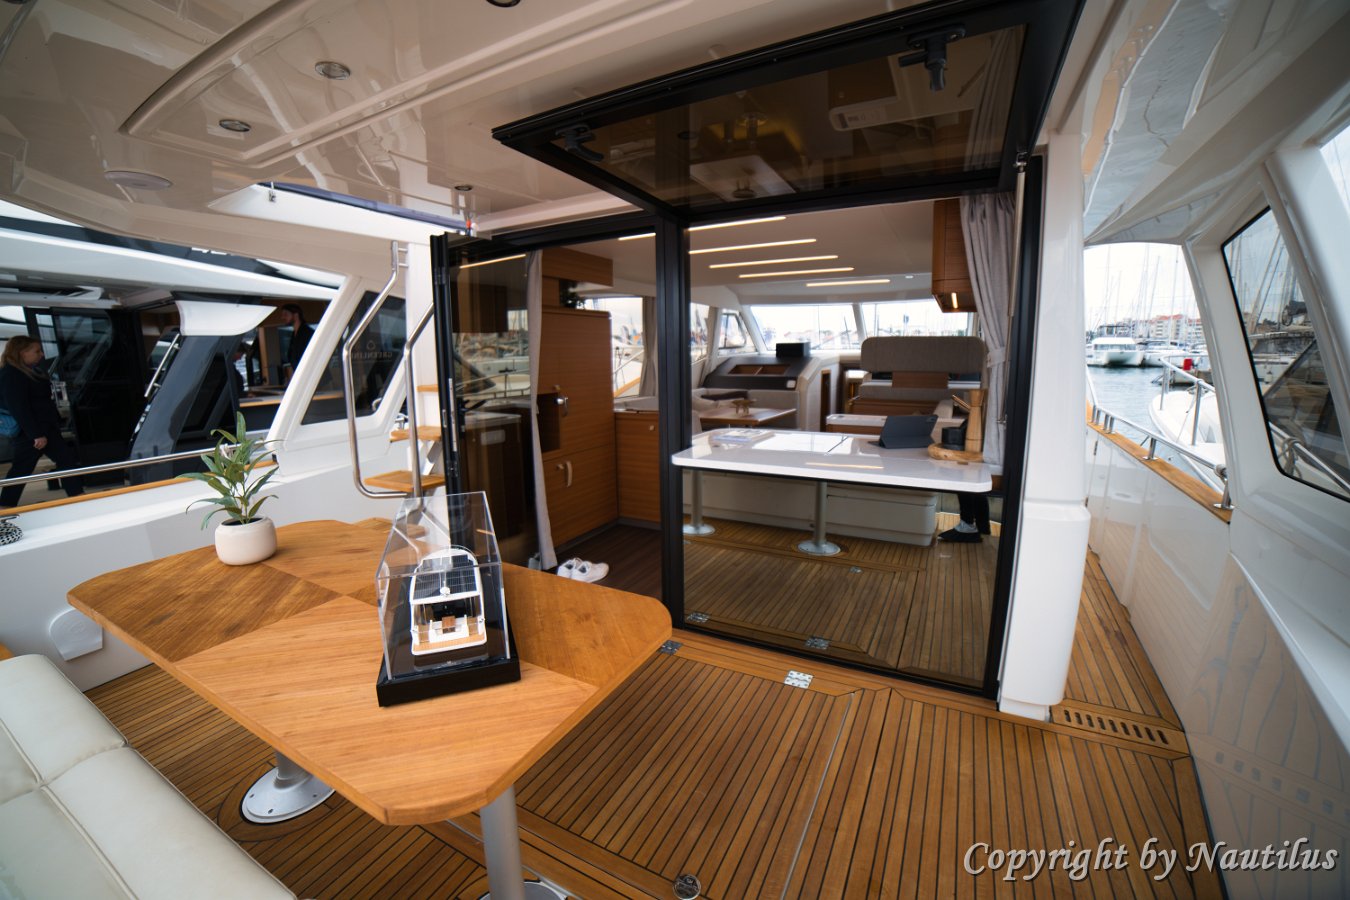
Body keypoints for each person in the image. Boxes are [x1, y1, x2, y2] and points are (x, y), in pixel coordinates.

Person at [0, 336, 84, 507]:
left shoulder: (29, 371)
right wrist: (35, 434)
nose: (41, 354)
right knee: (22, 467)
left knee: (65, 459)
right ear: (22, 352)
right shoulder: (11, 374)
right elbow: (19, 407)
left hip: (45, 428)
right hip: (31, 431)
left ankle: (77, 496)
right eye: (36, 351)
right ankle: (6, 504)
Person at [279, 304, 313, 381]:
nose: (282, 317)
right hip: (303, 377)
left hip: (313, 377)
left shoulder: (308, 333)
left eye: (286, 314)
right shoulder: (294, 335)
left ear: (296, 315)